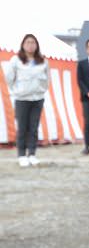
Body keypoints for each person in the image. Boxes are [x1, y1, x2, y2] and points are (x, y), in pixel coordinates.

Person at [4, 34, 49, 167]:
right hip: (22, 99)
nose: (30, 45)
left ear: (37, 45)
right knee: (22, 127)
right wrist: (17, 91)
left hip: (37, 98)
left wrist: (41, 90)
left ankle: (32, 154)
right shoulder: (16, 60)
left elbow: (47, 80)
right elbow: (9, 79)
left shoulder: (43, 61)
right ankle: (22, 154)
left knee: (34, 127)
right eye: (28, 42)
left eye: (33, 43)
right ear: (23, 45)